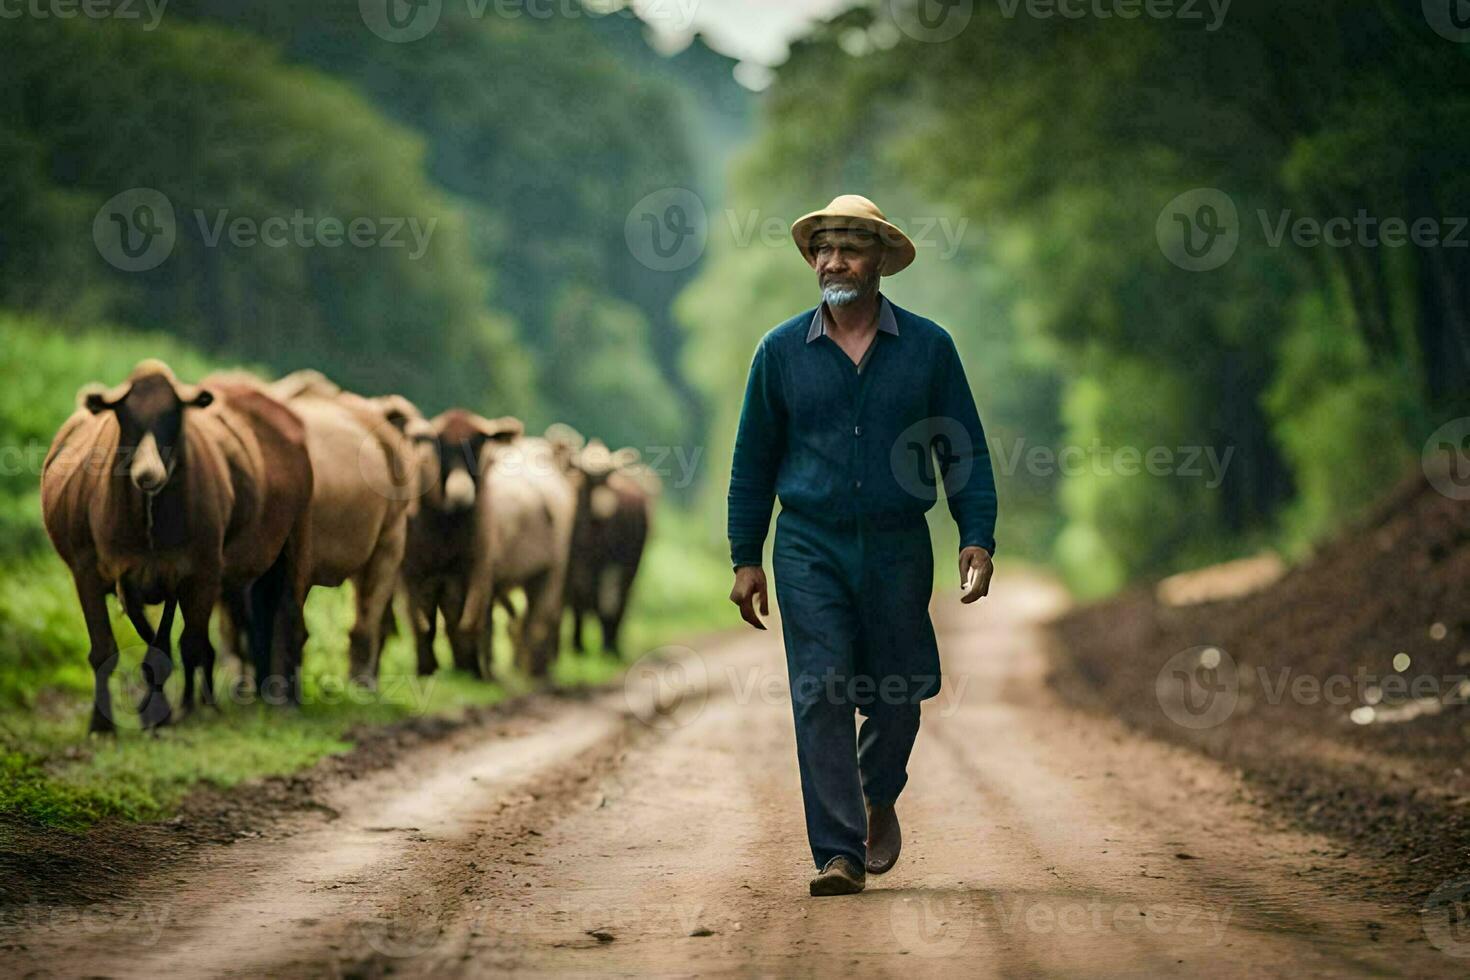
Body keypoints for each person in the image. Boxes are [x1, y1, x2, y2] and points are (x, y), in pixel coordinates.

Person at [726, 194, 998, 897]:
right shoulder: (780, 351)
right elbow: (752, 460)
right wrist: (745, 556)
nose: (832, 260)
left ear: (879, 259)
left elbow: (960, 449)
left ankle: (879, 795)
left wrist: (977, 536)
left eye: (848, 247)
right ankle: (838, 852)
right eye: (822, 248)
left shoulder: (929, 348)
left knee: (897, 689)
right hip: (808, 545)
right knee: (820, 689)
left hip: (898, 544)